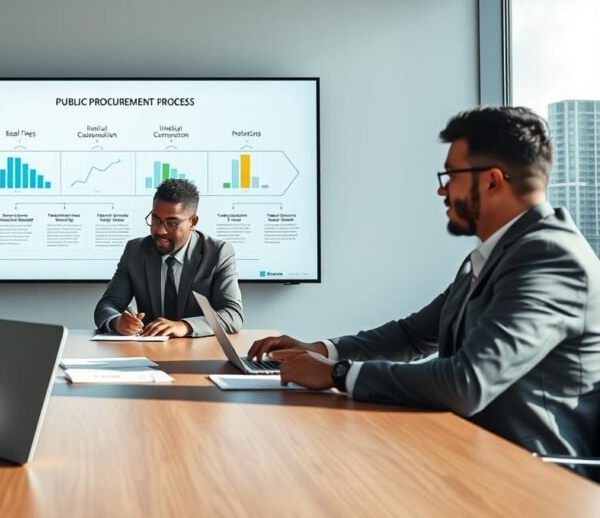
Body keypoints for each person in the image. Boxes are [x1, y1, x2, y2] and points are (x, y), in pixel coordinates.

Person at [249, 106, 600, 476]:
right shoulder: (497, 253)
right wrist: (319, 351)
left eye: (451, 176)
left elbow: (466, 382)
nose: (441, 189)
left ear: (493, 181)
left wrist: (339, 373)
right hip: (471, 454)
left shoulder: (549, 257)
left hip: (531, 479)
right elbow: (413, 335)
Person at [94, 178, 243, 337]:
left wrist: (185, 326)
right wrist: (117, 322)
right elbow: (107, 306)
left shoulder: (218, 253)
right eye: (155, 220)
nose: (160, 231)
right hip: (150, 351)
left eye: (171, 223)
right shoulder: (135, 251)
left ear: (193, 221)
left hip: (200, 352)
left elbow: (232, 315)